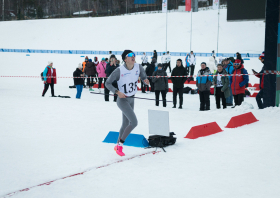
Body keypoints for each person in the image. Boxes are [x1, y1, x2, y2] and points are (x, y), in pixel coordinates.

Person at [105, 50, 149, 156]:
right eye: (130, 56)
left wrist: (145, 80)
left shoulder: (139, 67)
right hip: (122, 100)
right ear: (125, 59)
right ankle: (119, 145)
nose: (133, 57)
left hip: (131, 98)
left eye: (134, 55)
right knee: (134, 122)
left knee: (125, 123)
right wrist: (117, 92)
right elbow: (107, 83)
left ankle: (117, 145)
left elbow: (143, 76)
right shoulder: (119, 70)